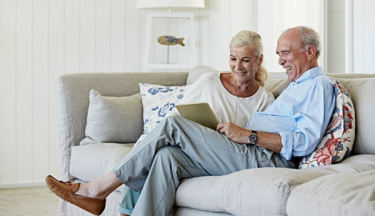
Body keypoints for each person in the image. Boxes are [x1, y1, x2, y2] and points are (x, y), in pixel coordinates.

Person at [46, 26, 336, 216]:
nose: (281, 60)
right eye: (279, 55)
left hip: (266, 157)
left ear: (309, 52)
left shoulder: (318, 86)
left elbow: (304, 141)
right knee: (167, 157)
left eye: (285, 53)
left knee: (174, 127)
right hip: (250, 150)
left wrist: (247, 135)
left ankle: (98, 189)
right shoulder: (295, 86)